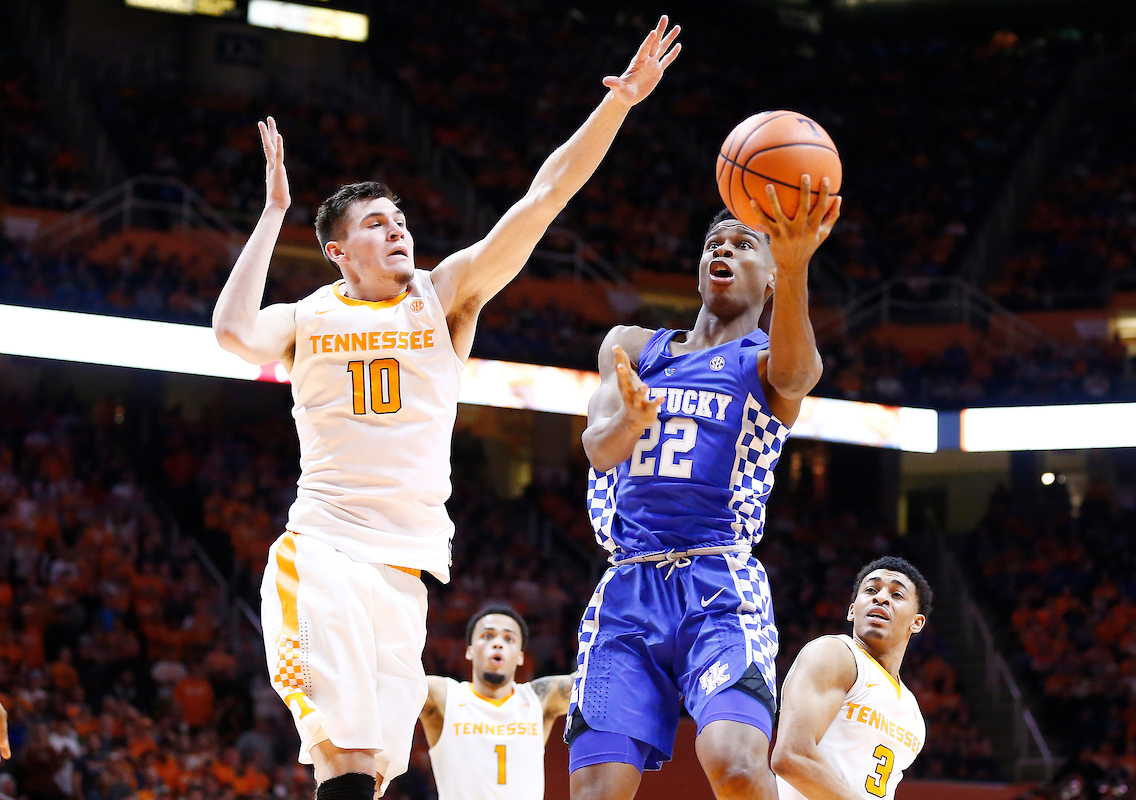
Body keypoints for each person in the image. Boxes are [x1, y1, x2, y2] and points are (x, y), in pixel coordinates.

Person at [211, 17, 682, 800]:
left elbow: (545, 195)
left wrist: (622, 105)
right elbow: (231, 333)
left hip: (409, 570)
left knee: (372, 770)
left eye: (400, 220)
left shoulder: (444, 295)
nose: (397, 231)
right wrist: (270, 214)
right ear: (337, 249)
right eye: (376, 224)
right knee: (343, 762)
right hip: (323, 551)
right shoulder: (305, 315)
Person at [570, 177, 842, 800]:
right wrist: (630, 422)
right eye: (715, 241)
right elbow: (596, 448)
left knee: (738, 766)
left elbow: (801, 375)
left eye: (745, 243)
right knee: (593, 793)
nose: (725, 248)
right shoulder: (633, 347)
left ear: (770, 276)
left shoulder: (764, 358)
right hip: (627, 588)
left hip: (717, 583)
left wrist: (796, 265)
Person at [773, 557, 931, 800]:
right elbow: (792, 756)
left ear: (917, 622)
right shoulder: (835, 654)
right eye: (870, 590)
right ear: (852, 610)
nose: (880, 598)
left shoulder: (913, 715)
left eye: (897, 594)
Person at [421, 606, 573, 800]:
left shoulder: (539, 699)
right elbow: (394, 681)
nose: (498, 643)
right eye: (487, 636)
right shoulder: (444, 695)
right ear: (469, 650)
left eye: (509, 639)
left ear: (520, 657)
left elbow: (596, 681)